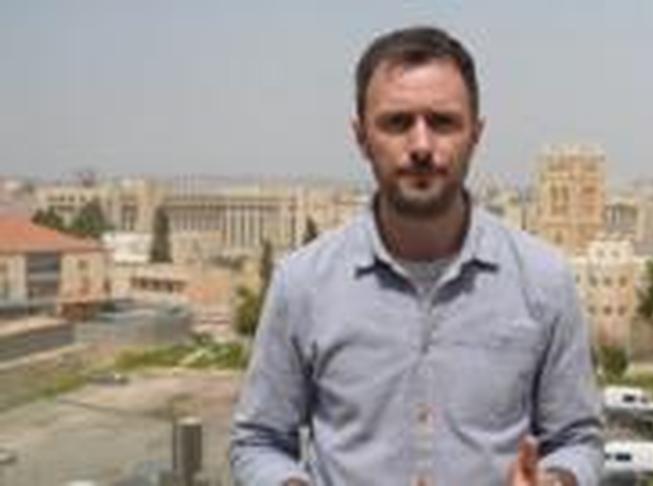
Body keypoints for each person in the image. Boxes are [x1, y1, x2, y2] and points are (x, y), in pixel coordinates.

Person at [230, 25, 603, 486]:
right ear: (361, 137)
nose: (422, 145)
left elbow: (578, 440)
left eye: (443, 122)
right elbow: (259, 441)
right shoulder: (304, 283)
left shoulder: (543, 281)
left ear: (476, 134)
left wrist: (558, 481)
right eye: (397, 123)